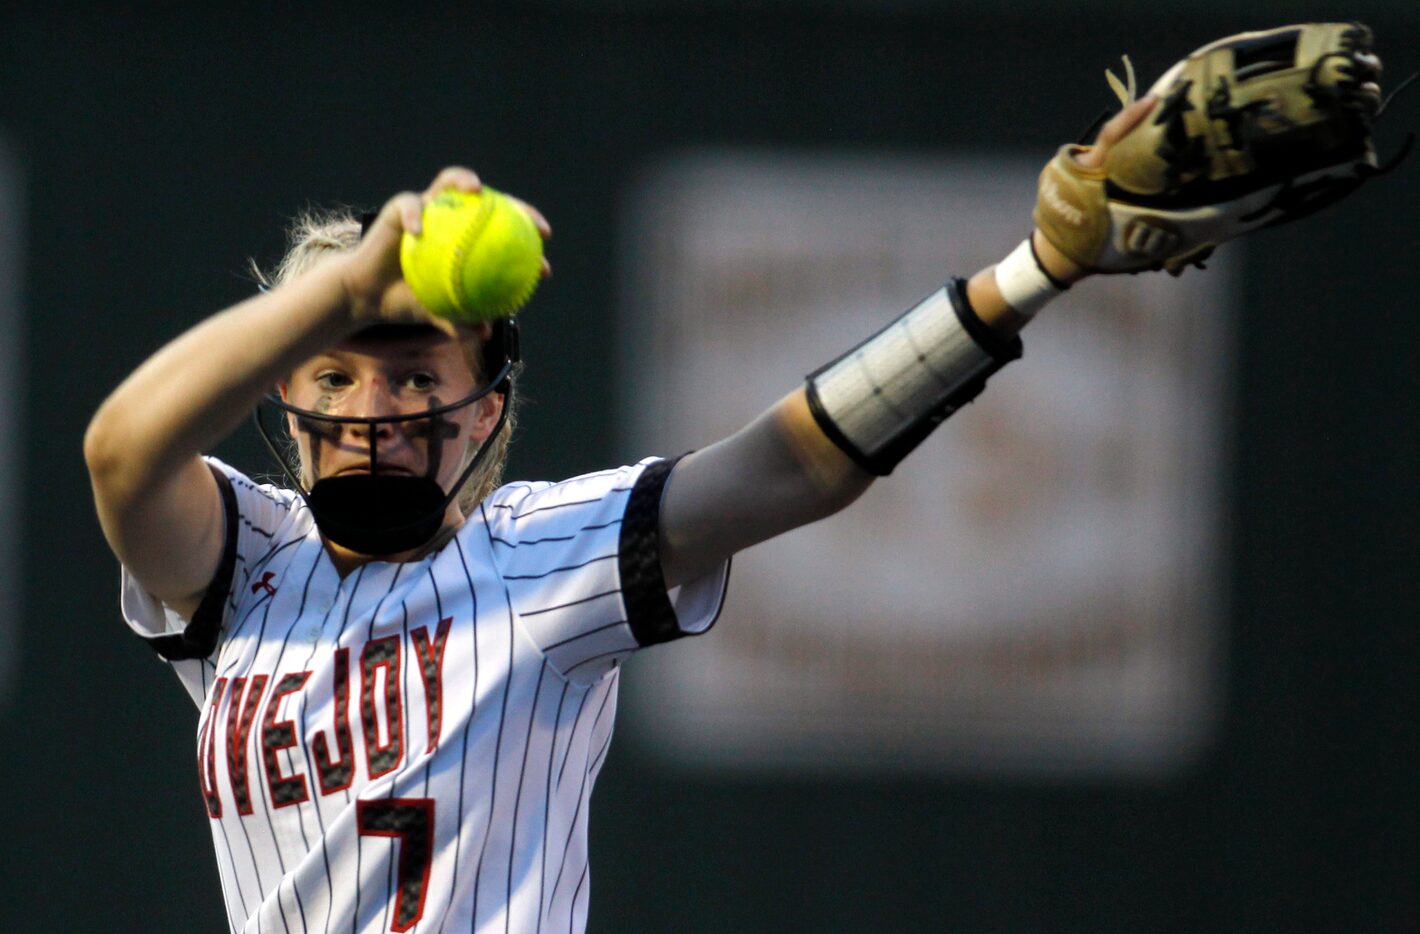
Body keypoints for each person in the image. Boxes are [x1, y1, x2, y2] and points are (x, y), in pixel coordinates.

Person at [82, 74, 1353, 930]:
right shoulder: (247, 565)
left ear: (483, 412)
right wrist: (345, 281)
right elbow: (121, 451)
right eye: (336, 370)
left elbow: (786, 460)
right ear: (287, 393)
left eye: (417, 371)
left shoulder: (538, 557)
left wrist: (1033, 274)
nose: (372, 403)